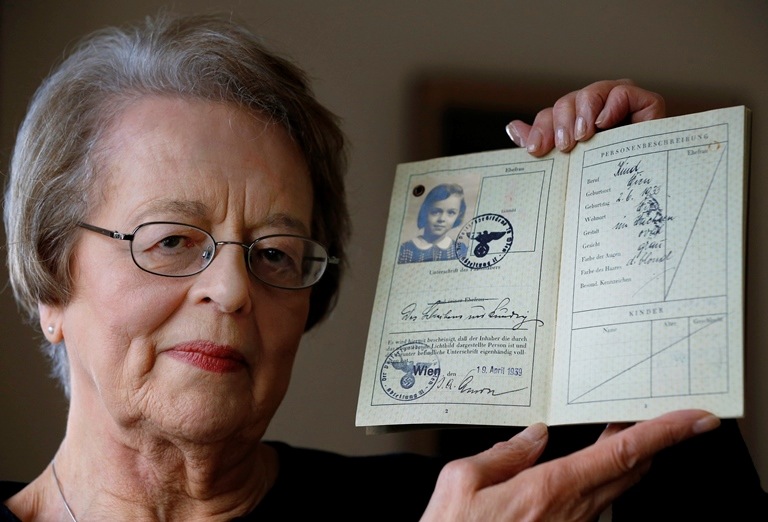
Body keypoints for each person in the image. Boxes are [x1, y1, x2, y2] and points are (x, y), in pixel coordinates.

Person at [0, 12, 765, 521]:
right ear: (50, 279)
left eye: (274, 253)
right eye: (170, 241)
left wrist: (650, 244)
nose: (233, 290)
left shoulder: (446, 503)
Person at [398, 183, 468, 263]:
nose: (442, 219)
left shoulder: (461, 250)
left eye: (451, 213)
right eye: (435, 212)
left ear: (458, 215)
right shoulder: (404, 250)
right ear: (425, 211)